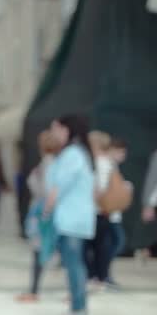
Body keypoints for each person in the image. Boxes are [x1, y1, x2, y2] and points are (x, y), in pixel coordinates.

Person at [44, 114, 96, 315]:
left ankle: (79, 306)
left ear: (66, 130)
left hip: (71, 219)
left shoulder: (73, 154)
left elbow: (59, 186)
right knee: (74, 263)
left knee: (74, 263)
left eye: (55, 130)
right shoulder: (77, 153)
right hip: (74, 218)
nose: (53, 135)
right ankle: (78, 304)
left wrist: (46, 211)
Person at [17, 130, 59, 303]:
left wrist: (45, 212)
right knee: (44, 250)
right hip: (46, 211)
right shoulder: (51, 164)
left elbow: (47, 190)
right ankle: (34, 290)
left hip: (43, 212)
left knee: (39, 249)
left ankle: (34, 291)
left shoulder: (48, 165)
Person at [85, 131, 114, 291]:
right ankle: (100, 277)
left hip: (96, 210)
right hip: (104, 211)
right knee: (100, 246)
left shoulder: (97, 163)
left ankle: (94, 277)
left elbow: (99, 190)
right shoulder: (109, 163)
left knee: (91, 246)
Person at [105, 137, 130, 287]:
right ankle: (103, 274)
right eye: (121, 152)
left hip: (113, 214)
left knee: (115, 244)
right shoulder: (107, 167)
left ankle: (104, 274)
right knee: (115, 243)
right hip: (108, 214)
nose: (123, 156)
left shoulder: (113, 167)